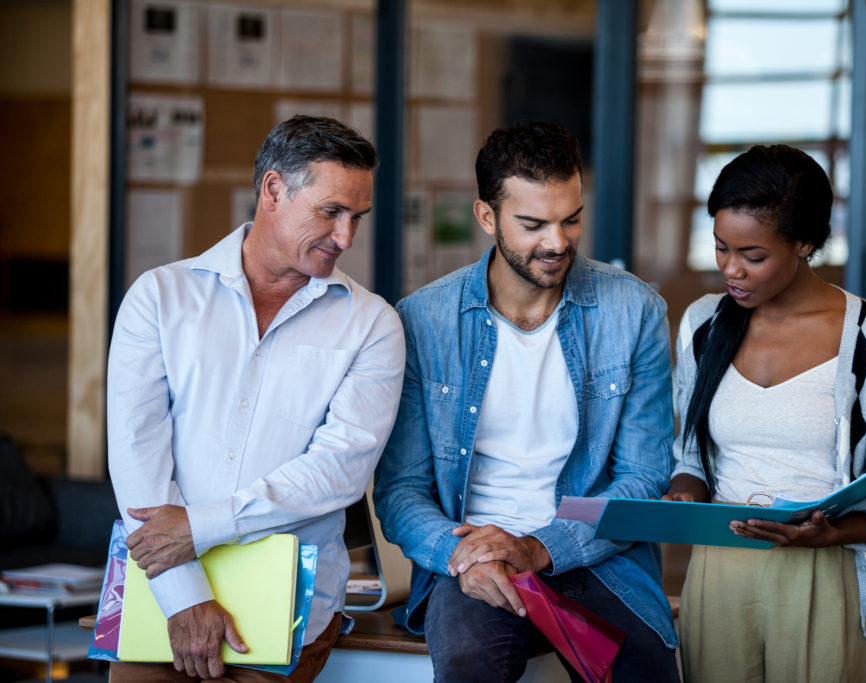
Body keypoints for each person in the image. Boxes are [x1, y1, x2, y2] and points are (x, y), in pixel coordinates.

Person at [373, 120, 681, 682]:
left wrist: (540, 547)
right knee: (469, 670)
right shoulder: (424, 320)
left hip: (595, 555)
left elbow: (644, 476)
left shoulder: (633, 312)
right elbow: (401, 491)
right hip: (476, 561)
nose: (558, 242)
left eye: (572, 219)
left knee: (645, 673)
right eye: (533, 224)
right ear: (487, 217)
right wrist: (458, 555)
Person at [106, 115, 405, 682]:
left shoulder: (372, 325)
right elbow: (136, 454)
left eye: (357, 219)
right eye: (330, 212)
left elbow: (338, 472)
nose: (345, 237)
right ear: (273, 190)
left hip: (289, 598)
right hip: (159, 587)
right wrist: (183, 595)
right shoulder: (159, 297)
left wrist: (201, 525)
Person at [664, 144, 866, 682]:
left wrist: (829, 532)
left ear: (804, 243)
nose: (733, 269)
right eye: (720, 248)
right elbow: (687, 450)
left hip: (823, 572)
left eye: (753, 256)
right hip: (719, 566)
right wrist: (685, 489)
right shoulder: (704, 325)